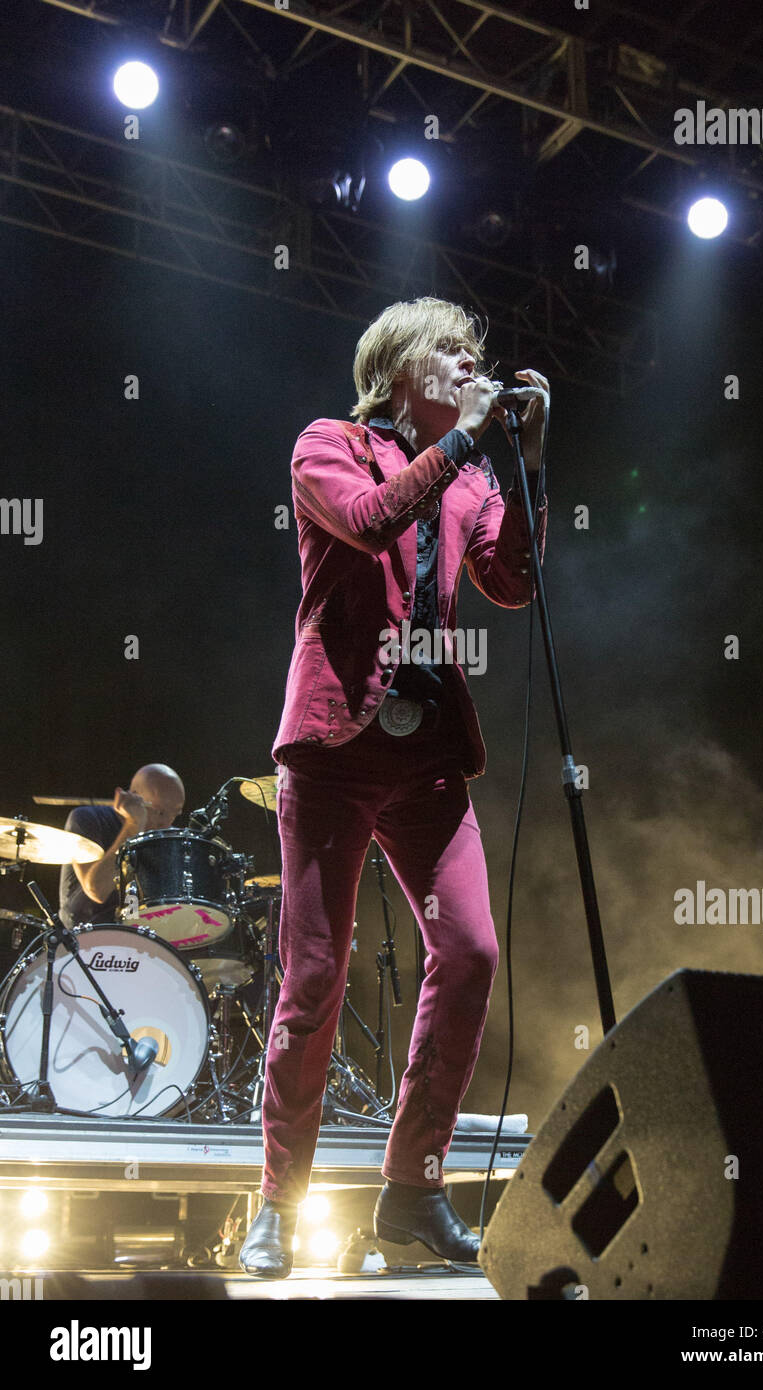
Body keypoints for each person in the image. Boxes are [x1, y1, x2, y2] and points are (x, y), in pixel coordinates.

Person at [241, 297, 548, 1277]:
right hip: (335, 745)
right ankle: (277, 1205)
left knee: (468, 951)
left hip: (424, 756)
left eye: (477, 355)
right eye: (453, 352)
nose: (472, 365)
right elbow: (372, 523)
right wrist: (464, 442)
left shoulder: (468, 474)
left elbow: (511, 581)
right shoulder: (327, 444)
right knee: (315, 979)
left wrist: (527, 460)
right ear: (398, 368)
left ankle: (411, 1192)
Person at [58, 764, 186, 930]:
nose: (167, 823)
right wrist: (133, 826)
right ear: (135, 798)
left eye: (175, 814)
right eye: (160, 813)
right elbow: (97, 890)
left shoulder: (165, 837)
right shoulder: (86, 819)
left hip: (137, 939)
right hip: (84, 940)